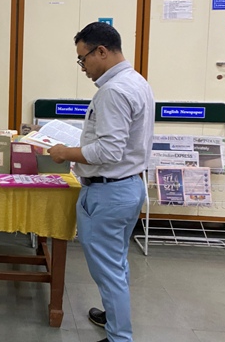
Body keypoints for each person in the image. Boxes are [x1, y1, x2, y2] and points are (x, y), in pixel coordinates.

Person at [48, 22, 154, 342]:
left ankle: (119, 337)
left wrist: (66, 152)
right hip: (128, 186)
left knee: (107, 271)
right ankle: (113, 314)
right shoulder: (136, 81)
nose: (83, 67)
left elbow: (108, 150)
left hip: (108, 192)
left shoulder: (113, 91)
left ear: (102, 51)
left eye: (83, 59)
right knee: (116, 261)